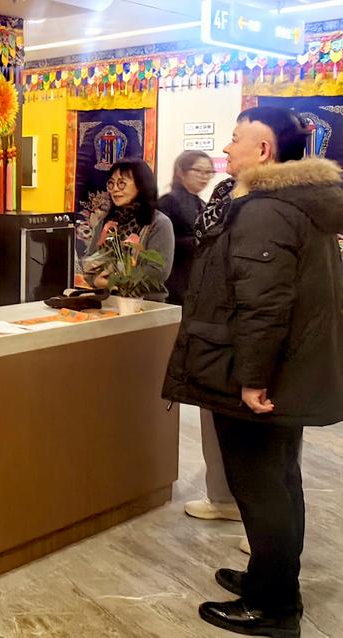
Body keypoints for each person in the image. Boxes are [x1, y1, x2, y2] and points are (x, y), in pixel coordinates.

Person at [162, 107, 343, 637]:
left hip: (263, 377)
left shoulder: (265, 210)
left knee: (262, 487)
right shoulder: (301, 203)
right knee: (281, 481)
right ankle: (269, 576)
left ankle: (274, 607)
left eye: (236, 138)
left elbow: (263, 305)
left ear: (264, 150)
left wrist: (252, 378)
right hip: (290, 370)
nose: (226, 148)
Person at [161, 152, 244, 528]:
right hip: (198, 305)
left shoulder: (237, 203)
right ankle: (225, 497)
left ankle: (246, 514)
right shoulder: (179, 202)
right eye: (201, 170)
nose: (209, 174)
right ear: (181, 172)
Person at [82, 158, 175, 302]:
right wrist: (95, 280)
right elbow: (90, 261)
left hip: (146, 305)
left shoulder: (159, 223)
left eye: (121, 183)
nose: (115, 189)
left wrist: (114, 281)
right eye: (111, 183)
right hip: (107, 302)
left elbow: (158, 272)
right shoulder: (106, 222)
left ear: (141, 185)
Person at [159, 150, 213, 305]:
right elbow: (161, 244)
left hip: (194, 280)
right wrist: (198, 242)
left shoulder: (202, 204)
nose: (204, 176)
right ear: (181, 172)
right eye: (198, 171)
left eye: (208, 172)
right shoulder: (168, 201)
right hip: (174, 280)